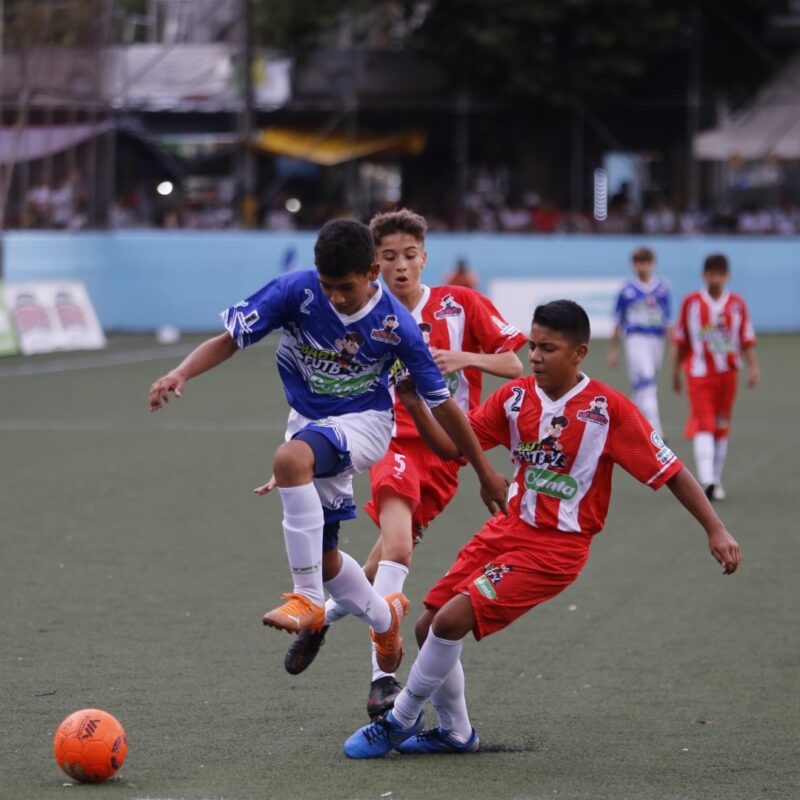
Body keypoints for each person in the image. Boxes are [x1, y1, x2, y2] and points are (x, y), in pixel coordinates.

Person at [342, 299, 741, 759]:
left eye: (547, 348)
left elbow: (669, 470)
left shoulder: (606, 409)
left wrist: (716, 529)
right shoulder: (514, 399)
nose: (533, 356)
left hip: (556, 550)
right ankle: (456, 733)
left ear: (579, 353)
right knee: (429, 625)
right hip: (507, 530)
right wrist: (413, 402)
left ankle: (400, 720)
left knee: (450, 621)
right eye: (532, 346)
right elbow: (453, 448)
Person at [148, 218, 509, 680]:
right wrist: (181, 373)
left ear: (371, 273)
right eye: (327, 286)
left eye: (346, 287)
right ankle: (384, 622)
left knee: (290, 459)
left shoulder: (395, 326)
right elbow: (229, 341)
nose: (335, 297)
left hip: (366, 424)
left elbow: (445, 407)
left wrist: (483, 472)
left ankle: (309, 600)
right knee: (329, 556)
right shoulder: (294, 292)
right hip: (308, 422)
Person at [281, 209, 528, 719]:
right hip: (388, 436)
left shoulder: (461, 304)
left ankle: (322, 619)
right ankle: (382, 678)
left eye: (409, 256)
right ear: (374, 265)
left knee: (375, 567)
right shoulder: (369, 311)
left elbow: (514, 361)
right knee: (397, 547)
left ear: (424, 258)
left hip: (445, 454)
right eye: (388, 257)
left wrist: (464, 358)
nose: (400, 266)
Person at [671, 254, 759, 501]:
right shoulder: (692, 303)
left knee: (721, 425)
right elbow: (681, 340)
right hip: (699, 373)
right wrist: (675, 371)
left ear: (727, 276)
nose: (716, 278)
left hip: (728, 374)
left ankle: (715, 481)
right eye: (712, 273)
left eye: (720, 274)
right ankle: (706, 478)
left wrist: (753, 367)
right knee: (704, 422)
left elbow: (746, 338)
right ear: (704, 275)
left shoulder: (737, 305)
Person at [607, 246, 671, 435]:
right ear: (633, 265)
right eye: (639, 262)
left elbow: (668, 320)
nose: (643, 266)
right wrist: (613, 350)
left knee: (642, 385)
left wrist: (674, 346)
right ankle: (656, 432)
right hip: (636, 338)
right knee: (647, 380)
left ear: (653, 264)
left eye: (647, 262)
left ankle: (630, 424)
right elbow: (618, 322)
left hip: (657, 340)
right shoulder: (627, 290)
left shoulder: (662, 289)